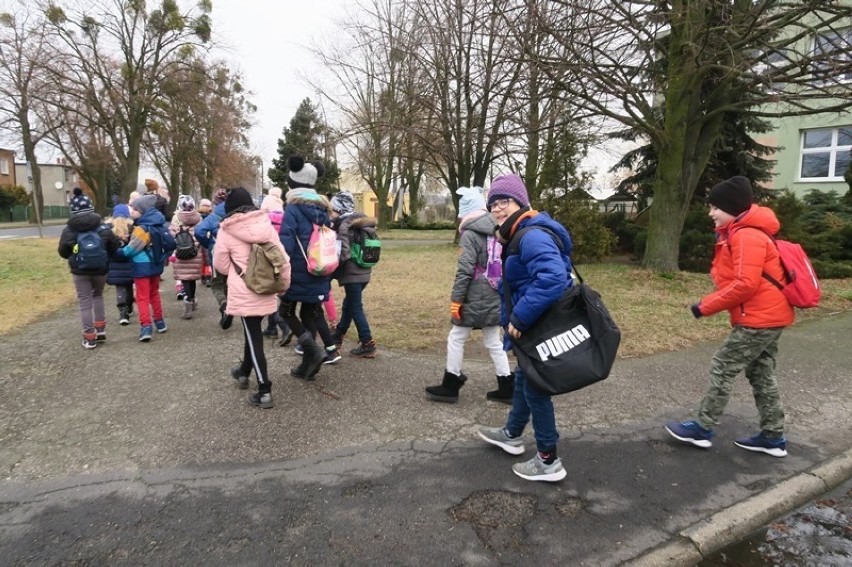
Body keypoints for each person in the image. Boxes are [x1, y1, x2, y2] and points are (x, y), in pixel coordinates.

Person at [665, 176, 794, 458]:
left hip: (759, 318)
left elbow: (745, 284)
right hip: (770, 316)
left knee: (723, 365)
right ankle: (773, 437)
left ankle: (702, 428)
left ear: (732, 208)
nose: (711, 213)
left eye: (716, 208)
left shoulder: (747, 235)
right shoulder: (745, 231)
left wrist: (705, 306)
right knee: (761, 374)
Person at [476, 173, 573, 482]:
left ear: (521, 202)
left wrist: (520, 317)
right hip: (533, 326)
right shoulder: (521, 232)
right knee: (523, 379)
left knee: (535, 389)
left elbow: (553, 277)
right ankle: (512, 433)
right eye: (493, 204)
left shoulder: (531, 235)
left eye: (504, 201)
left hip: (537, 325)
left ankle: (548, 460)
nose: (498, 209)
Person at [426, 186, 512, 403]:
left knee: (456, 337)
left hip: (474, 294)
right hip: (495, 291)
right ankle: (507, 385)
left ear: (465, 212)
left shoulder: (470, 234)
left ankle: (451, 383)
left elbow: (465, 270)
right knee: (494, 340)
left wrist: (456, 300)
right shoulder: (498, 228)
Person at [213, 187, 290, 409]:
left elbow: (221, 266)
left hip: (244, 289)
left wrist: (239, 272)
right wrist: (283, 284)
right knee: (252, 332)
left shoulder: (226, 230)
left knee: (254, 337)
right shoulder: (266, 225)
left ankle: (264, 389)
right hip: (266, 287)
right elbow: (282, 258)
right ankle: (243, 372)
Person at [278, 156, 340, 379]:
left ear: (293, 182)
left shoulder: (293, 209)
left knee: (285, 311)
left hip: (298, 271)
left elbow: (285, 244)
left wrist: (280, 270)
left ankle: (312, 351)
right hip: (320, 268)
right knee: (309, 312)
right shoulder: (324, 210)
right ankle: (308, 366)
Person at [57, 188, 123, 349]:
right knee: (98, 296)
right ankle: (100, 330)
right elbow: (114, 247)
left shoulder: (69, 230)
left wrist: (74, 255)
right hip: (100, 269)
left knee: (85, 301)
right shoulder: (102, 228)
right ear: (90, 208)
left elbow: (63, 252)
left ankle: (89, 337)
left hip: (80, 271)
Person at [119, 193, 176, 342]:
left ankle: (146, 327)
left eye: (135, 209)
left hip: (141, 267)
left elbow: (131, 250)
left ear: (142, 211)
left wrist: (118, 252)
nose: (132, 212)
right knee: (154, 294)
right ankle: (160, 322)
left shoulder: (141, 229)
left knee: (142, 297)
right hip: (156, 264)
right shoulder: (159, 224)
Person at [329, 191, 378, 358]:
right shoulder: (362, 222)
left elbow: (344, 254)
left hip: (352, 274)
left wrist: (332, 272)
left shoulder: (344, 225)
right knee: (349, 305)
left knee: (355, 307)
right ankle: (338, 336)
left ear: (340, 209)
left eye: (333, 209)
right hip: (365, 271)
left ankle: (367, 343)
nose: (331, 212)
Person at [195, 189, 231, 329]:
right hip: (233, 254)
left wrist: (207, 243)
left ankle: (223, 304)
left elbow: (199, 231)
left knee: (217, 284)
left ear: (216, 202)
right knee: (229, 282)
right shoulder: (235, 214)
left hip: (217, 254)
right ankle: (229, 307)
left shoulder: (213, 216)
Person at [169, 195, 204, 319]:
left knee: (185, 279)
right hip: (195, 255)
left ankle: (188, 303)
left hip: (181, 255)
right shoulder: (199, 221)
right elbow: (203, 236)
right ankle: (192, 300)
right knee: (192, 279)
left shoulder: (176, 221)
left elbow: (171, 238)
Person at [104, 204, 135, 325]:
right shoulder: (132, 228)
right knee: (129, 285)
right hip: (129, 262)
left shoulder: (108, 229)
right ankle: (130, 306)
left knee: (120, 287)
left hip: (114, 264)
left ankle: (123, 312)